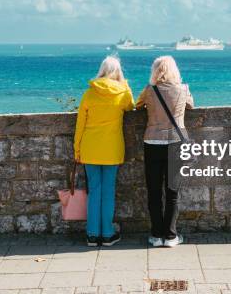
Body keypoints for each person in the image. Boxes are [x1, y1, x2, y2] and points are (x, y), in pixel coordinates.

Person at [74, 56, 134, 247]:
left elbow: (80, 125)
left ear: (101, 70)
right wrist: (124, 84)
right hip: (112, 148)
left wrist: (77, 149)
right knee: (108, 191)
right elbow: (131, 106)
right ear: (118, 71)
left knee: (94, 190)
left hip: (90, 148)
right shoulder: (123, 92)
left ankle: (92, 234)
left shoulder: (89, 93)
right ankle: (107, 234)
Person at [136, 56, 194, 248]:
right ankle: (171, 236)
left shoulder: (149, 90)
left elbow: (137, 105)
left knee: (153, 192)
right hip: (176, 143)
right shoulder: (183, 89)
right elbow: (191, 105)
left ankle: (156, 235)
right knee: (172, 192)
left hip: (152, 142)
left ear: (155, 71)